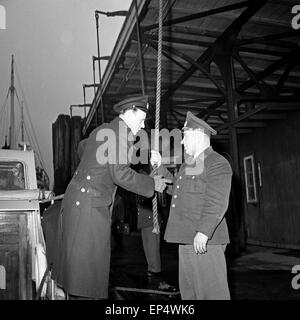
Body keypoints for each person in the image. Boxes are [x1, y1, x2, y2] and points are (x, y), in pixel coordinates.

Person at [51, 95, 169, 299]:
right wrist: (152, 184)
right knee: (88, 276)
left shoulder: (105, 129)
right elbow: (120, 173)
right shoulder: (120, 132)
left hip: (79, 202)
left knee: (79, 272)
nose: (142, 125)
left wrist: (145, 155)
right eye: (141, 119)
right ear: (129, 112)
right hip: (89, 206)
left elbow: (84, 149)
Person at [151, 111, 232, 300]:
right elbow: (178, 192)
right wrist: (159, 167)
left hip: (205, 241)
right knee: (190, 295)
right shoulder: (188, 166)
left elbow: (217, 201)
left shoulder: (217, 163)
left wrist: (204, 232)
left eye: (184, 136)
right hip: (187, 240)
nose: (181, 142)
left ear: (196, 135)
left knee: (212, 295)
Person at [136, 165, 177, 292]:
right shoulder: (142, 178)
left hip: (150, 219)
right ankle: (152, 269)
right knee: (148, 246)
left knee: (152, 247)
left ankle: (155, 272)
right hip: (145, 218)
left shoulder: (148, 179)